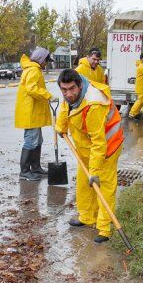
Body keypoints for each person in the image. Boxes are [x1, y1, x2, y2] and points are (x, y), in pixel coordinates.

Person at [55, 69, 124, 243]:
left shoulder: (93, 104)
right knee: (84, 183)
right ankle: (87, 217)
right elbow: (65, 107)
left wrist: (94, 171)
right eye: (64, 90)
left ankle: (104, 228)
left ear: (79, 86)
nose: (68, 94)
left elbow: (98, 143)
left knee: (102, 185)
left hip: (107, 147)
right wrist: (60, 126)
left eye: (71, 89)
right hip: (85, 147)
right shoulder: (69, 96)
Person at [15, 46, 57, 180]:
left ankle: (36, 167)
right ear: (40, 59)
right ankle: (25, 171)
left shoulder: (34, 69)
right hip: (30, 112)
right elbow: (31, 88)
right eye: (46, 61)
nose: (46, 64)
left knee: (37, 140)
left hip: (33, 112)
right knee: (31, 141)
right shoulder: (33, 70)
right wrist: (48, 95)